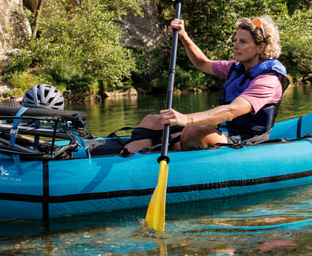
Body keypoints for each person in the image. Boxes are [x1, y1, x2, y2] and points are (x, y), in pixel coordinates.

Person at [123, 16, 289, 153]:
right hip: (225, 134)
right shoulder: (235, 68)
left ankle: (176, 153)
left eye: (243, 42)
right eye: (235, 40)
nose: (235, 45)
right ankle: (126, 163)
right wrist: (183, 36)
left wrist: (186, 119)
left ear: (260, 48)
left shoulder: (268, 80)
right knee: (152, 120)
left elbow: (232, 111)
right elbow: (203, 63)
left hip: (246, 144)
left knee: (194, 131)